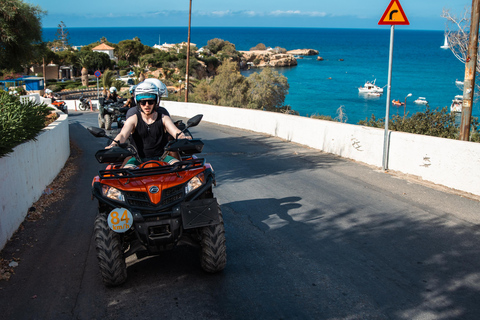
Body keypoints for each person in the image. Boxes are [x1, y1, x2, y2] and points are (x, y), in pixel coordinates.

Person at [107, 82, 189, 168]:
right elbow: (123, 135)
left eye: (150, 102)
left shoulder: (164, 118)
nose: (147, 105)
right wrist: (113, 145)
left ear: (155, 101)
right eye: (143, 102)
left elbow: (175, 131)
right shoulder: (133, 119)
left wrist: (182, 137)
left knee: (181, 168)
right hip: (137, 159)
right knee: (124, 174)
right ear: (138, 102)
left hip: (162, 158)